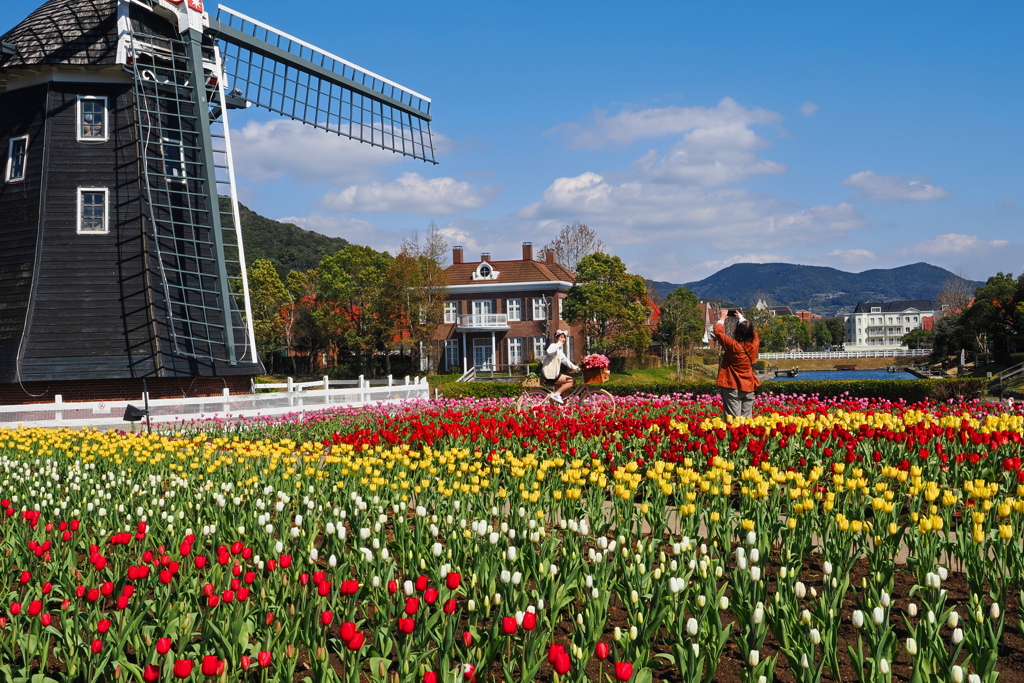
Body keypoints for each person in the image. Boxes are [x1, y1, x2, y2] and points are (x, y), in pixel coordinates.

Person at [713, 309, 760, 418]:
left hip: (732, 383)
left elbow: (718, 332)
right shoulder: (755, 344)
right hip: (748, 384)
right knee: (747, 420)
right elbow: (754, 333)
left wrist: (722, 318)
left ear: (737, 332)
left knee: (733, 420)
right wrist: (742, 319)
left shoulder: (734, 346)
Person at [540, 330, 579, 404]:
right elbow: (549, 351)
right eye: (561, 337)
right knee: (572, 381)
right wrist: (558, 344)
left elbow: (565, 360)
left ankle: (563, 412)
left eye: (564, 338)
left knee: (566, 394)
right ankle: (556, 394)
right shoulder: (554, 345)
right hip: (551, 375)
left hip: (554, 375)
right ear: (556, 338)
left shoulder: (559, 350)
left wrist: (576, 367)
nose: (563, 339)